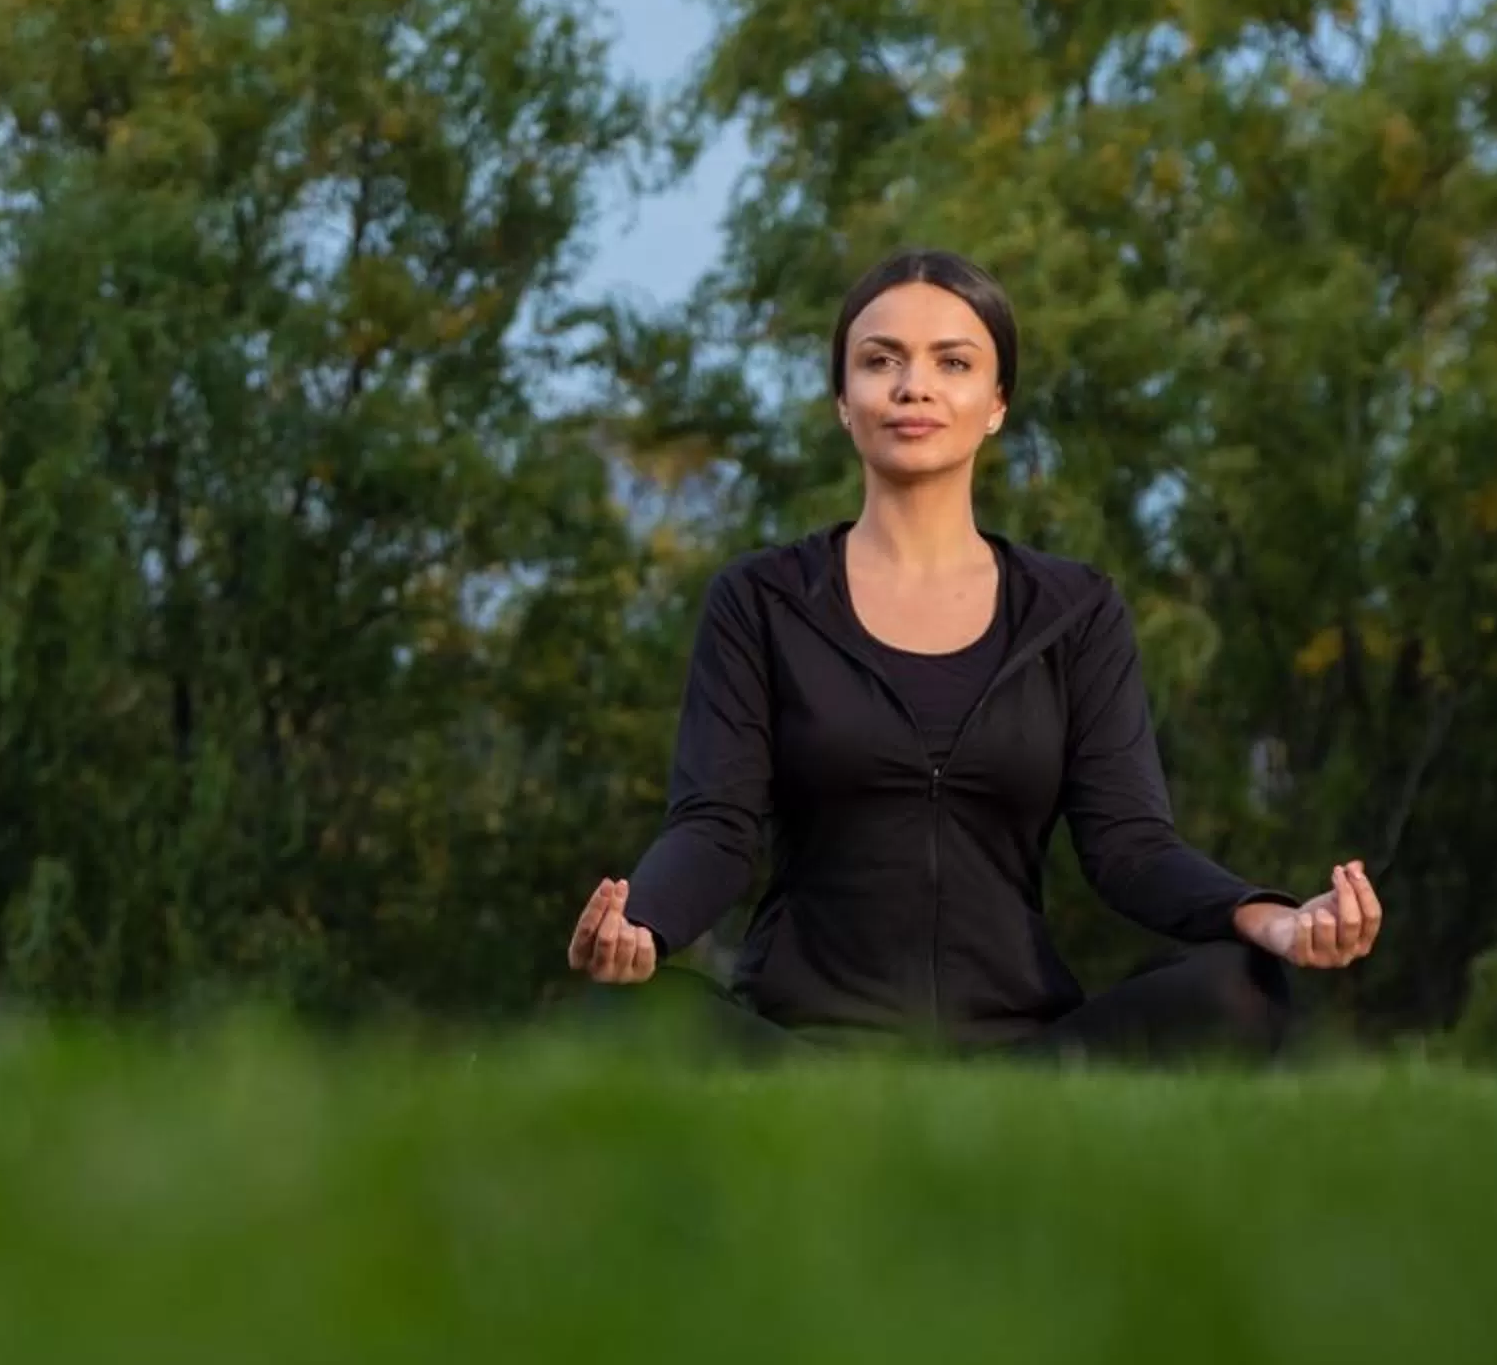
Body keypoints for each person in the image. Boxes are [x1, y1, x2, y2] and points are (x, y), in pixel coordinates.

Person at [567, 248, 1383, 1064]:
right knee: (627, 1010)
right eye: (880, 361)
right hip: (805, 1053)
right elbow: (714, 826)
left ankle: (1008, 1122)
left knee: (1240, 990)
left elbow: (1131, 845)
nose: (912, 386)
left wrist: (1271, 917)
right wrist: (641, 925)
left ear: (995, 403)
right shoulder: (762, 601)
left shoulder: (1075, 611)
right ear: (843, 401)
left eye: (951, 363)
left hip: (1023, 1057)